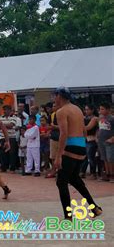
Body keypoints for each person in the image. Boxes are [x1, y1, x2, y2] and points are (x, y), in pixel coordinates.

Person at [53, 87, 102, 219]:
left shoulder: (61, 111)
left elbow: (64, 134)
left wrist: (58, 156)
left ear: (59, 96)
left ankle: (68, 216)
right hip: (81, 145)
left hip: (71, 147)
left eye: (55, 96)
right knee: (74, 178)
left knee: (61, 182)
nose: (54, 99)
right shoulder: (77, 109)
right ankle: (94, 207)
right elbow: (83, 130)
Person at [0, 105, 21, 173]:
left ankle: (12, 168)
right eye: (4, 109)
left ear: (10, 110)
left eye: (7, 109)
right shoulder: (0, 117)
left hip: (11, 137)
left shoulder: (14, 117)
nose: (6, 111)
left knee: (12, 153)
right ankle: (3, 168)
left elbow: (11, 125)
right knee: (3, 153)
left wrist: (2, 126)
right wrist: (5, 126)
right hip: (3, 137)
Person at [82, 105, 99, 179]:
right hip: (84, 139)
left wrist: (79, 127)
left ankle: (93, 173)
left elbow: (88, 127)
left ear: (92, 110)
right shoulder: (84, 118)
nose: (86, 111)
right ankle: (82, 171)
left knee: (91, 157)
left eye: (88, 109)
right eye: (85, 110)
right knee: (84, 157)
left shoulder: (95, 118)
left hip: (91, 139)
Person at [98, 102, 113, 182]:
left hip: (109, 142)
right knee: (104, 158)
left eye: (102, 109)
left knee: (110, 158)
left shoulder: (112, 118)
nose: (100, 111)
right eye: (100, 109)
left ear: (108, 110)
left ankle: (112, 175)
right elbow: (99, 129)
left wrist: (112, 138)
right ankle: (107, 174)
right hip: (101, 141)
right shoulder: (100, 119)